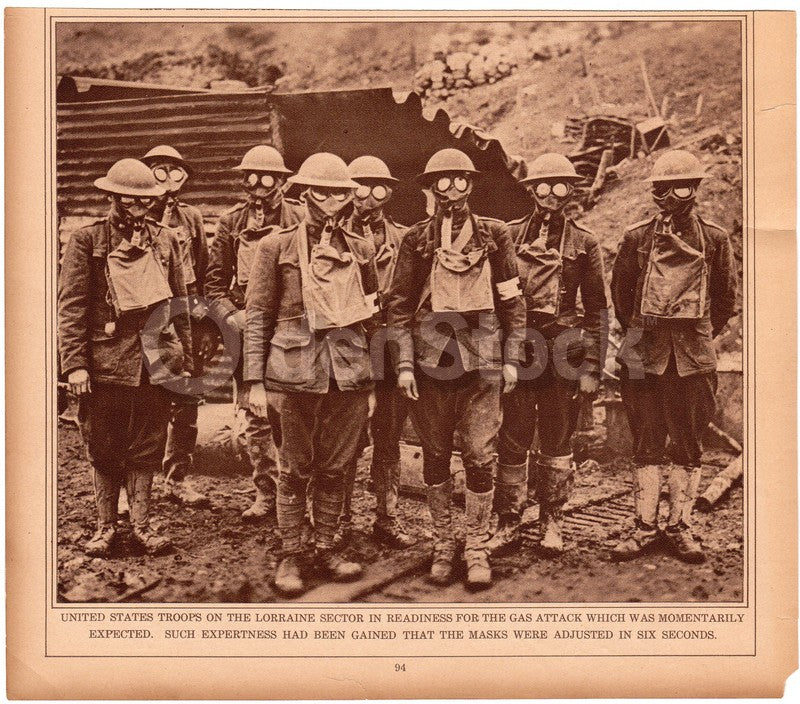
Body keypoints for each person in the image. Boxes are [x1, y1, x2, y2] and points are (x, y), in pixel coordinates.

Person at [387, 148, 526, 590]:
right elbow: (399, 305)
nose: (451, 191)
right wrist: (405, 365)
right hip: (431, 365)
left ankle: (477, 545)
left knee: (482, 454)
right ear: (430, 188)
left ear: (471, 185)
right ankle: (444, 542)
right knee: (435, 454)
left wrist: (510, 358)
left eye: (459, 181)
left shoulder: (495, 234)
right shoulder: (416, 239)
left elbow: (512, 300)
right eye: (442, 182)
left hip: (483, 363)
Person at [244, 152, 380, 596]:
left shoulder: (361, 248)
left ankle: (327, 546)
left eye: (340, 193)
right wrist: (253, 380)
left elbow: (373, 318)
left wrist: (371, 379)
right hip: (293, 371)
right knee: (294, 468)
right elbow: (258, 315)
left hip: (348, 375)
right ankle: (291, 553)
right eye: (321, 192)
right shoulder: (275, 246)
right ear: (304, 194)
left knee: (337, 467)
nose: (331, 201)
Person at [58, 158, 193, 556]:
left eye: (144, 200)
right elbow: (71, 307)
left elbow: (180, 304)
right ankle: (105, 528)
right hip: (105, 364)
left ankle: (143, 528)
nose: (137, 206)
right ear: (113, 196)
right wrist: (75, 364)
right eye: (128, 199)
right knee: (103, 445)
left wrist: (182, 360)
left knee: (148, 445)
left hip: (156, 362)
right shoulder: (88, 240)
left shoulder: (166, 239)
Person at [610, 149, 738, 563]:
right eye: (663, 189)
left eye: (681, 187)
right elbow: (621, 295)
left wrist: (698, 335)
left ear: (695, 190)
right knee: (646, 441)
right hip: (644, 356)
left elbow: (724, 299)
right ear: (654, 192)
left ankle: (680, 527)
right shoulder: (636, 237)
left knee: (688, 444)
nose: (672, 197)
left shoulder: (715, 239)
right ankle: (645, 527)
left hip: (692, 359)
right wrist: (641, 333)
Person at [494, 153, 609, 554]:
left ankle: (552, 521)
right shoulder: (508, 235)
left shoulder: (584, 241)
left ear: (571, 191)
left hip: (564, 349)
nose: (551, 195)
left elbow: (596, 308)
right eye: (543, 186)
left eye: (560, 186)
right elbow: (498, 299)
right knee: (513, 434)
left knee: (558, 438)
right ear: (530, 190)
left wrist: (592, 365)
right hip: (520, 348)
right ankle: (508, 520)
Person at [205, 145, 303, 520]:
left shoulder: (301, 216)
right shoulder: (230, 222)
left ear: (281, 180)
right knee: (255, 416)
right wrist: (233, 316)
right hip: (247, 330)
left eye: (266, 177)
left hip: (292, 330)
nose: (257, 185)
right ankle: (266, 492)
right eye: (250, 177)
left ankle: (296, 494)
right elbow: (213, 286)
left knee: (292, 412)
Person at [335, 155, 415, 549]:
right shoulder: (331, 236)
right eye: (359, 187)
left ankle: (387, 516)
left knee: (389, 435)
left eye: (377, 188)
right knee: (346, 436)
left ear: (388, 193)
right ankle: (340, 519)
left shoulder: (404, 238)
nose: (368, 197)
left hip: (390, 344)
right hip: (349, 346)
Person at [141, 145, 210, 507]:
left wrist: (201, 324)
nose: (168, 178)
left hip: (183, 320)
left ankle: (177, 479)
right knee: (145, 403)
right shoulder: (135, 214)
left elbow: (200, 267)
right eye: (159, 170)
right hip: (147, 320)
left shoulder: (192, 217)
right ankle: (135, 487)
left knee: (186, 402)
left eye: (175, 171)